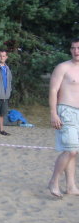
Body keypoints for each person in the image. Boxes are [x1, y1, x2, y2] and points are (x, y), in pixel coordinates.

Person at [47, 38, 79, 198]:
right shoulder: (63, 67)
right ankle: (54, 181)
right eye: (73, 48)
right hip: (66, 111)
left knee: (74, 150)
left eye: (78, 48)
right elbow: (53, 90)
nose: (76, 51)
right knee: (71, 150)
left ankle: (71, 186)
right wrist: (53, 113)